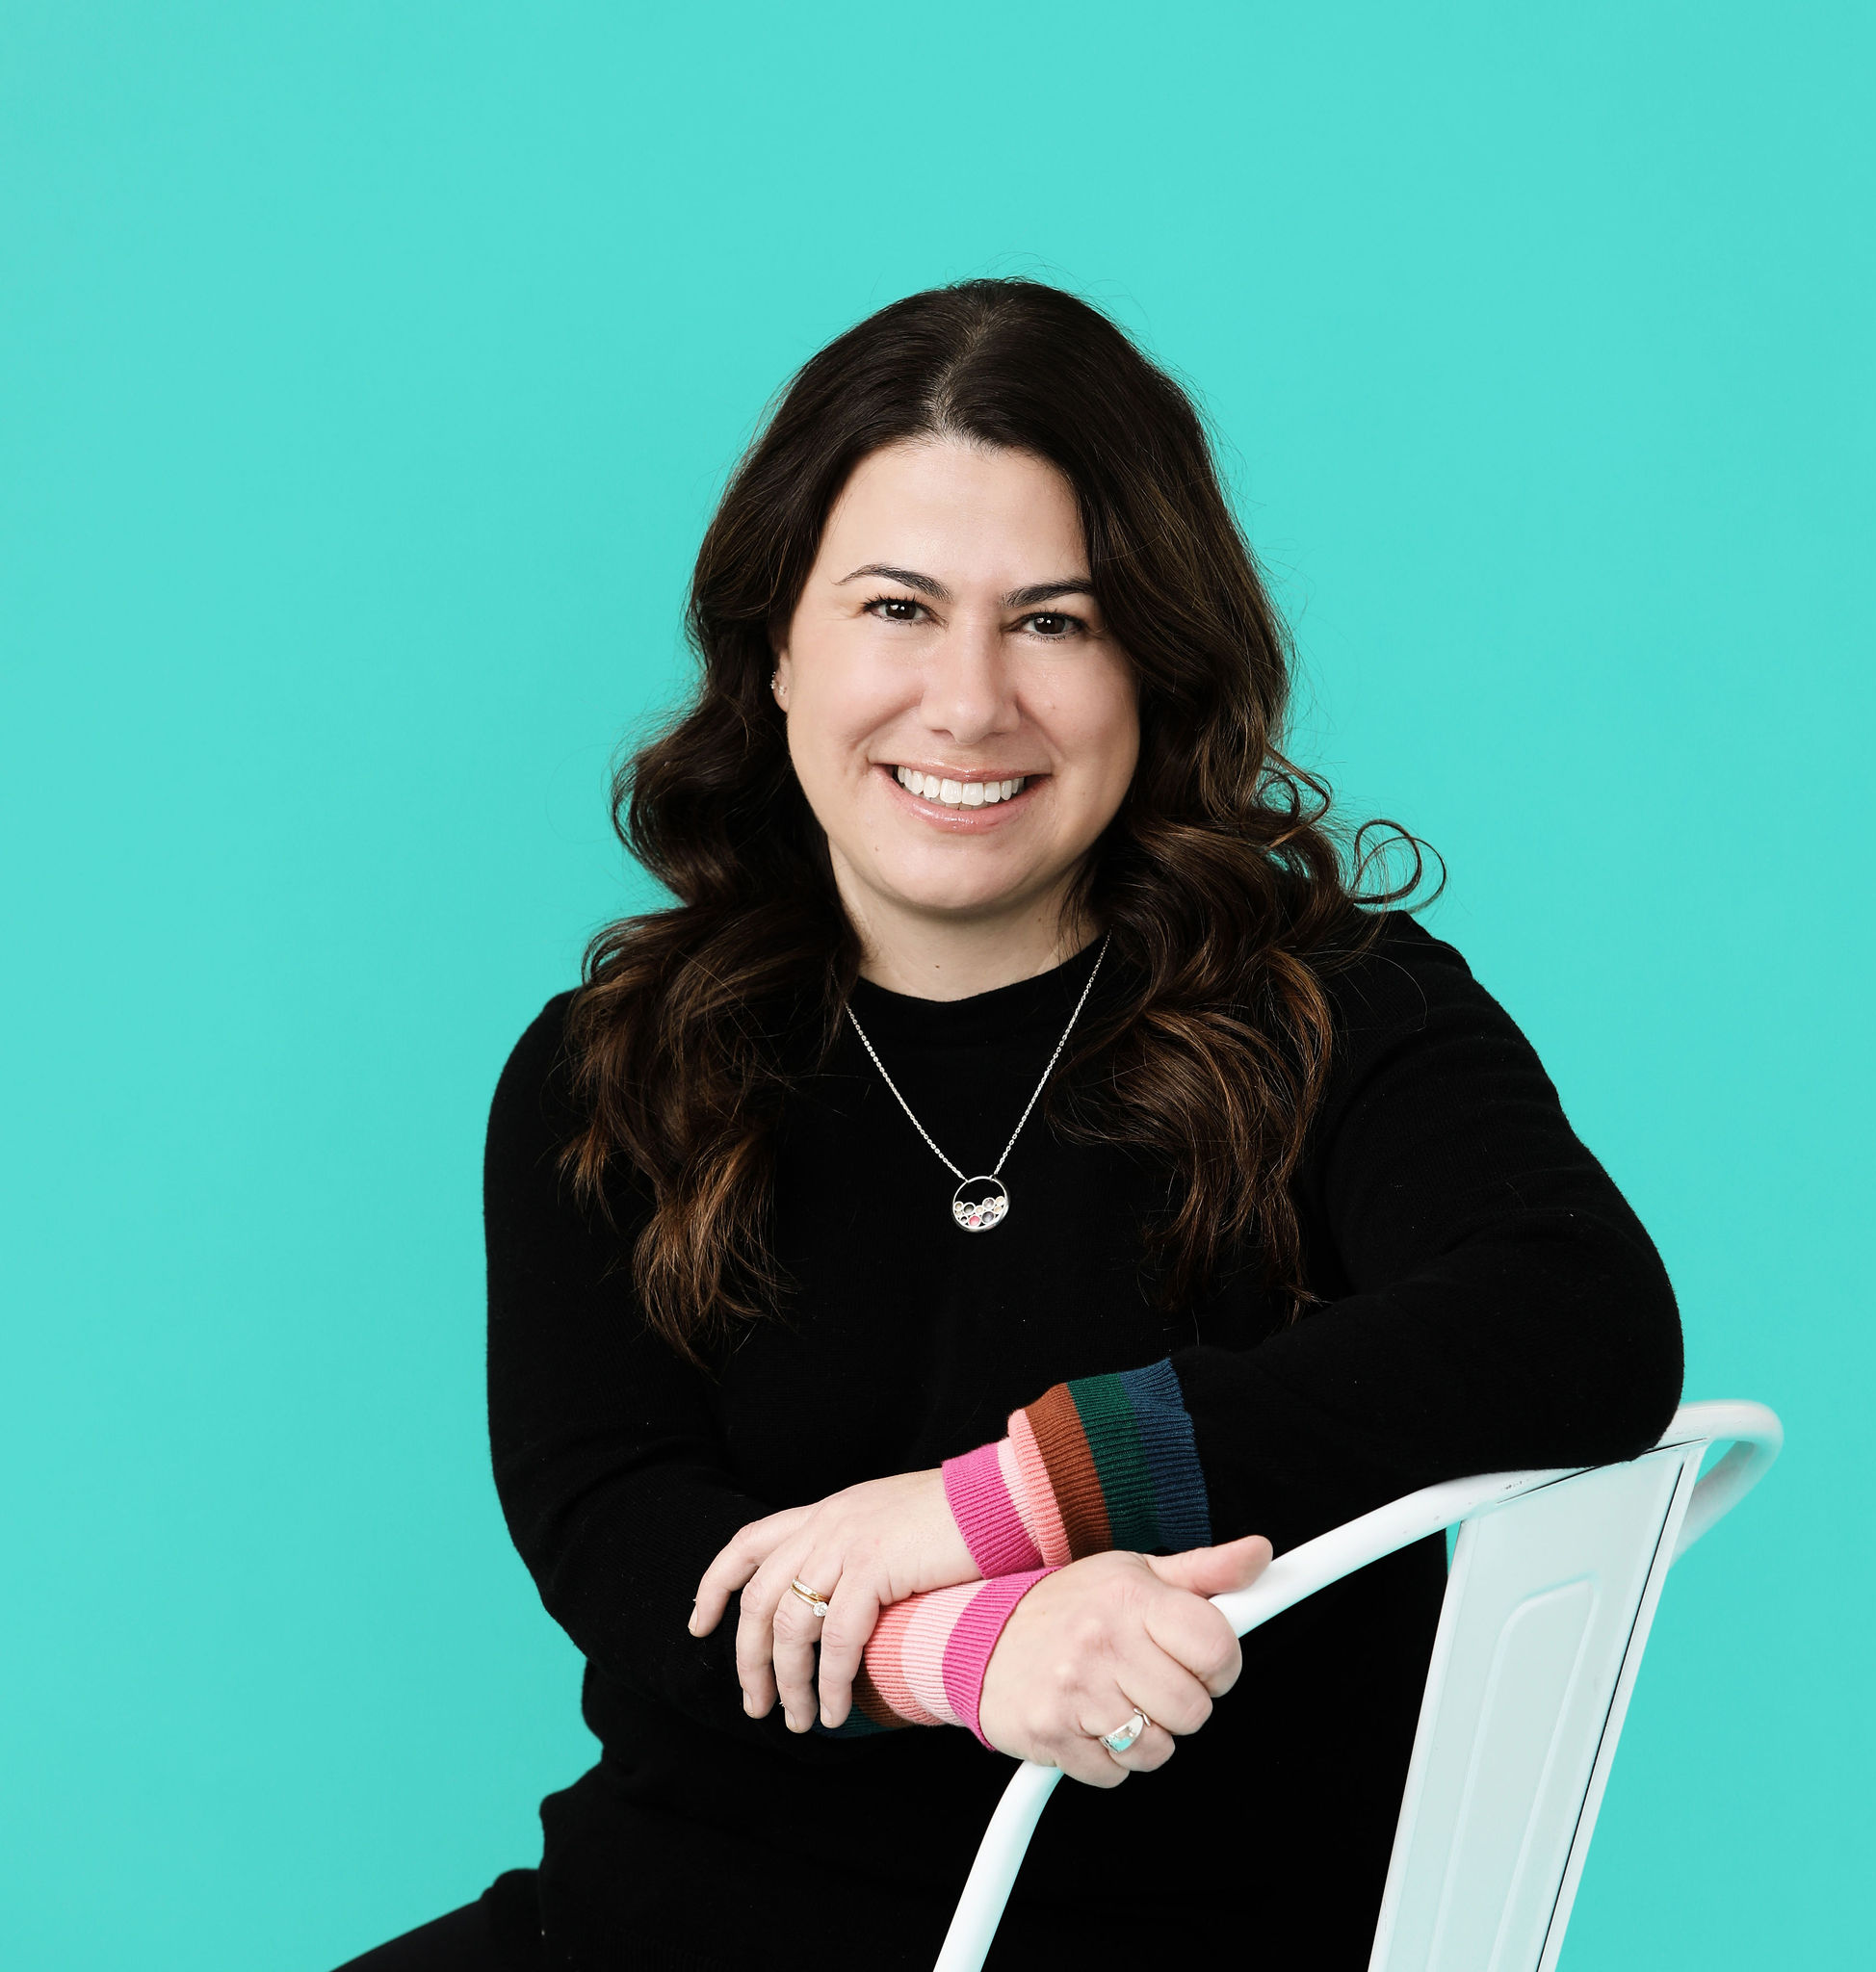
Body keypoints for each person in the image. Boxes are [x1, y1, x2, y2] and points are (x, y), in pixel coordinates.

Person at [335, 278, 1682, 1972]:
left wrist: (1005, 1501)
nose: (969, 704)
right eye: (898, 608)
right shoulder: (610, 1074)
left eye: (1054, 621)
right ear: (774, 649)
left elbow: (1579, 1317)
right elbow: (624, 1543)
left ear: (1154, 663)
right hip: (667, 1924)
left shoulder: (1334, 1007)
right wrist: (985, 1648)